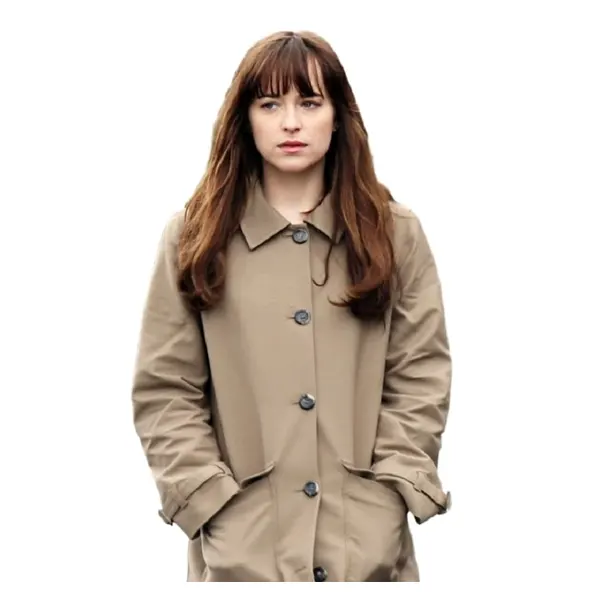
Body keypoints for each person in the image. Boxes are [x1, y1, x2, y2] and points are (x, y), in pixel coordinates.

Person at [131, 29, 452, 583]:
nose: (290, 123)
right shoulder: (194, 239)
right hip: (241, 557)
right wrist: (210, 504)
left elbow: (419, 374)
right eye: (269, 104)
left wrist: (389, 496)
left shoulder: (395, 235)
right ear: (245, 119)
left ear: (338, 115)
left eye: (309, 102)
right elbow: (166, 388)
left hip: (368, 556)